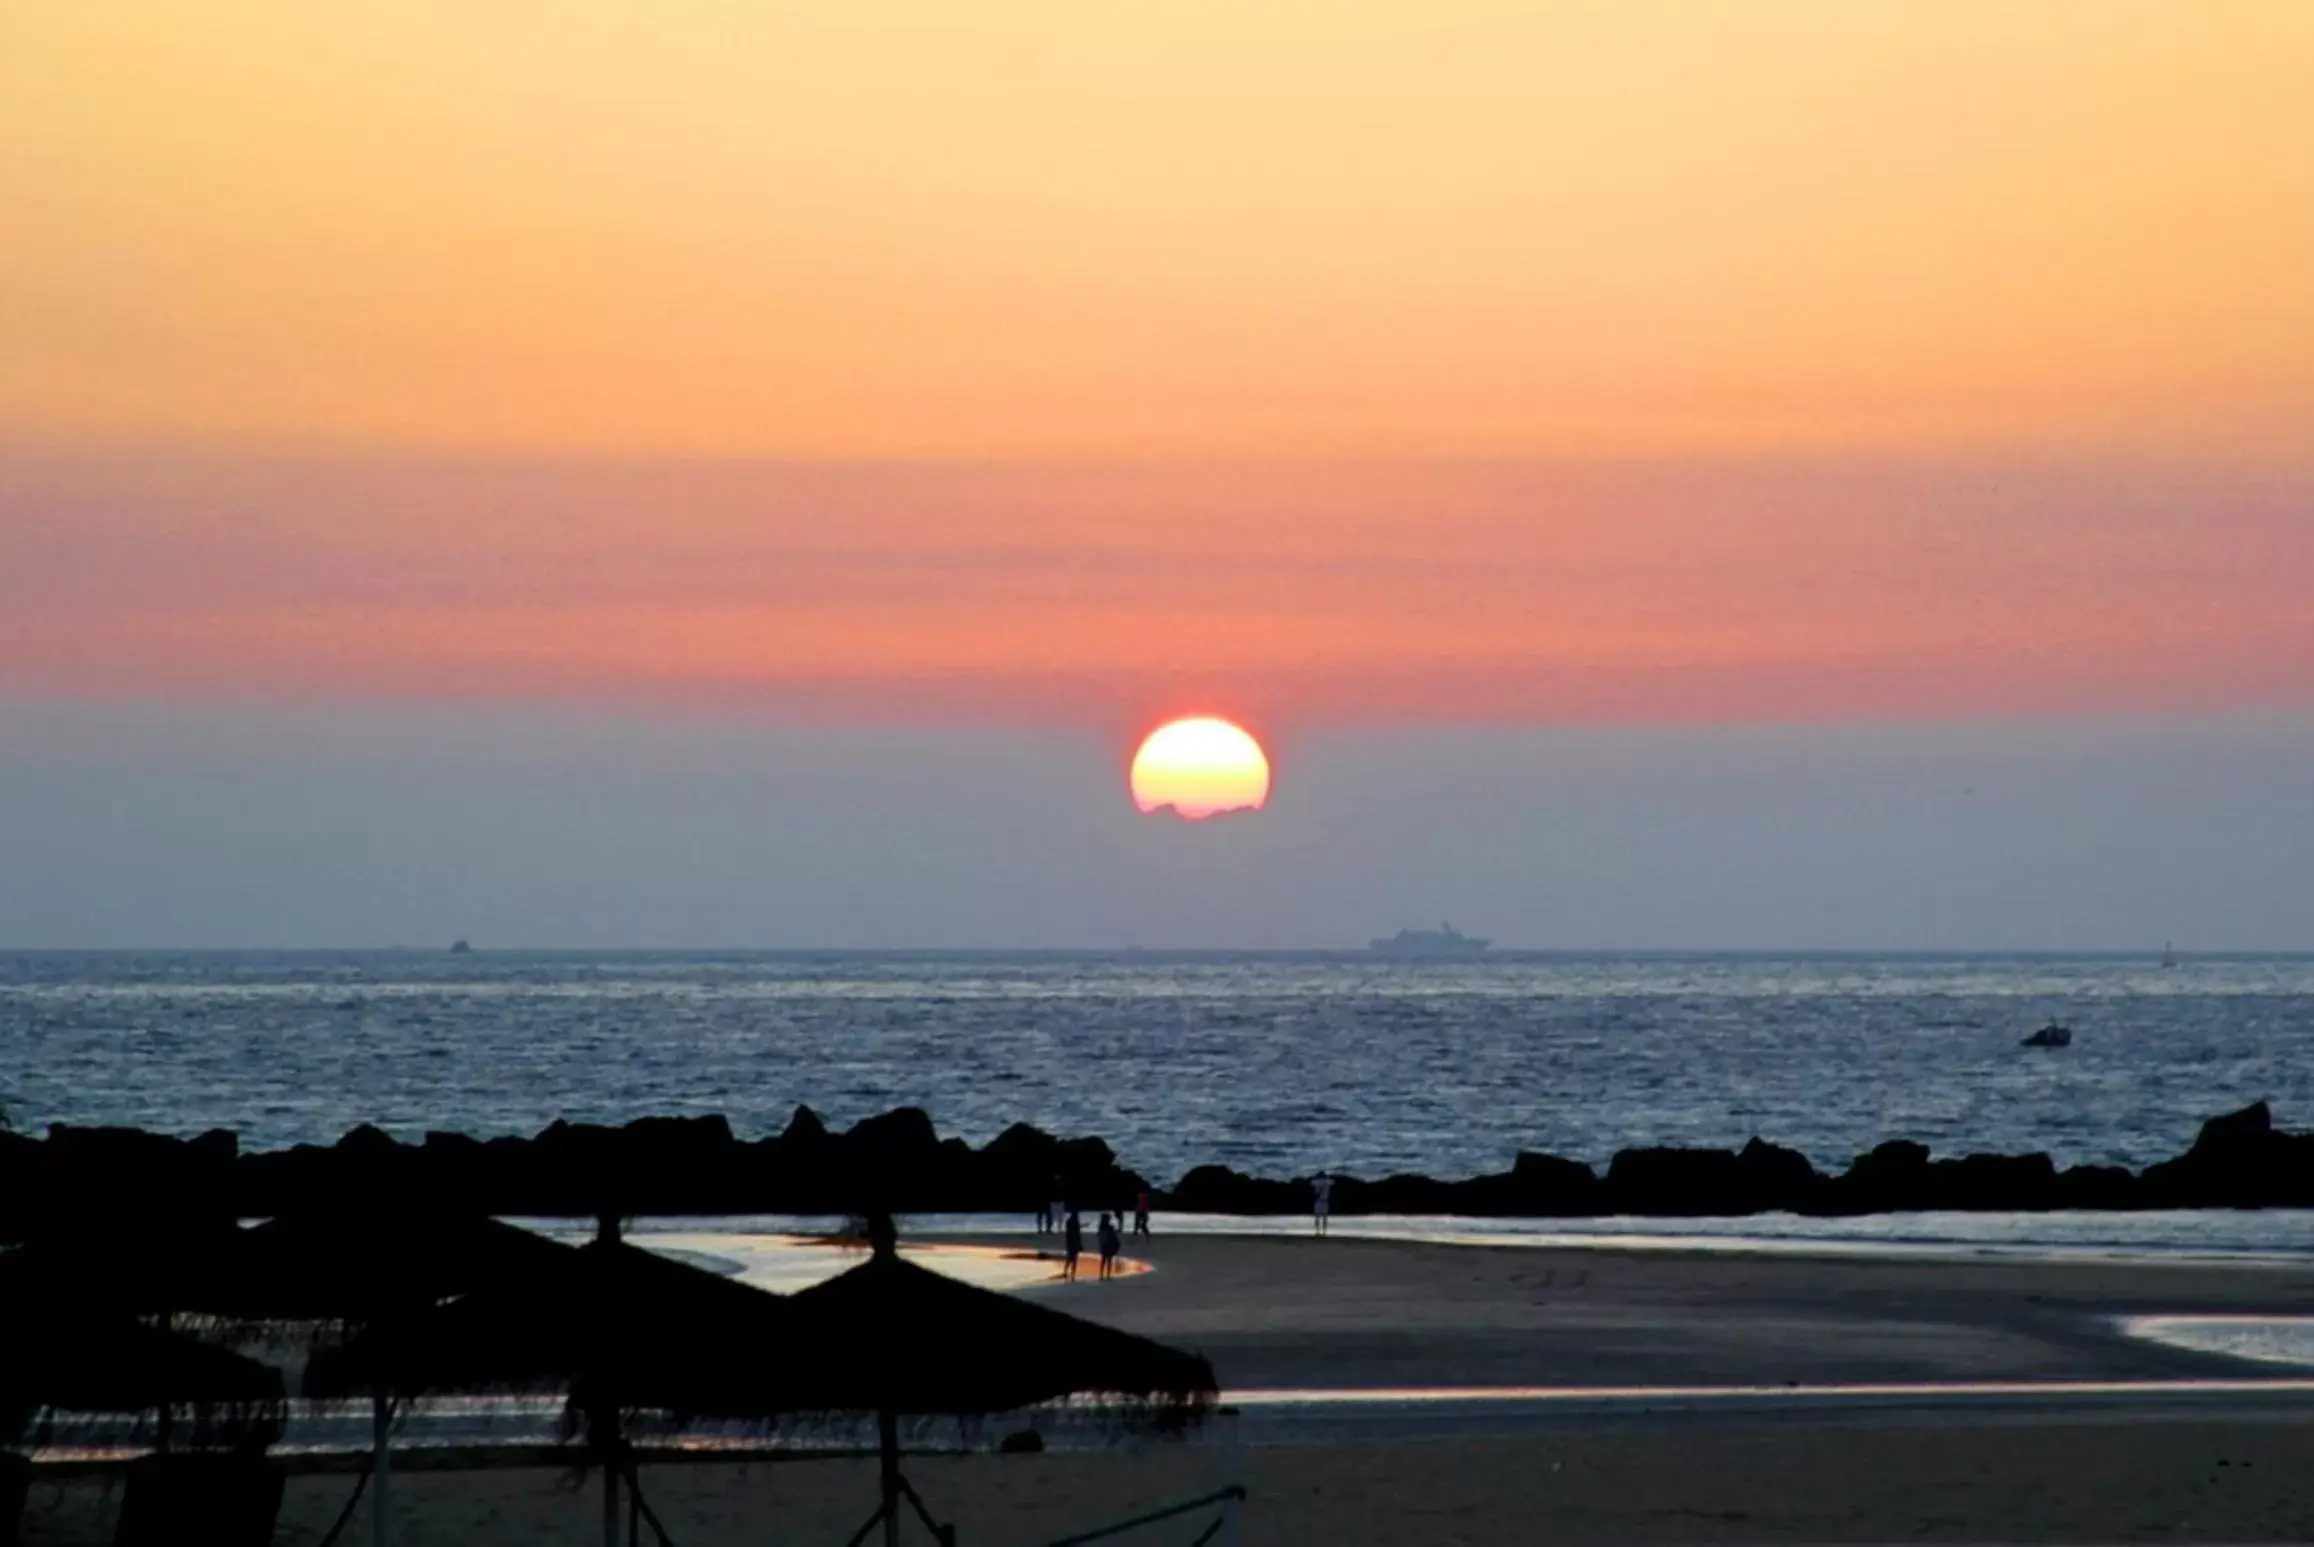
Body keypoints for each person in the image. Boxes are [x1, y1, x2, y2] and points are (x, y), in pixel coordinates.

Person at [1097, 1212, 1121, 1280]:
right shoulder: (1110, 1227)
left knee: (1103, 1260)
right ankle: (1108, 1275)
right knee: (1109, 1260)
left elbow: (1100, 1236)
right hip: (1108, 1245)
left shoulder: (1101, 1227)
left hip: (1103, 1245)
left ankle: (1101, 1275)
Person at [1062, 1209, 1084, 1281]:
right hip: (1074, 1242)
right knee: (1074, 1260)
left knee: (1069, 1258)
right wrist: (1079, 1244)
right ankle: (1072, 1274)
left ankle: (1065, 1272)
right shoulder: (1075, 1222)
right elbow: (1077, 1234)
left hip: (1070, 1242)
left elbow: (1068, 1233)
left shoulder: (1068, 1222)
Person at [1311, 1171, 1333, 1237]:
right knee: (1324, 1217)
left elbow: (1312, 1183)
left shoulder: (1317, 1183)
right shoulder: (1328, 1183)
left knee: (1317, 1217)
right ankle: (1324, 1232)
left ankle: (1318, 1231)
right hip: (1325, 1201)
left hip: (1318, 1201)